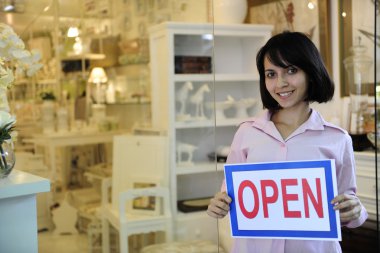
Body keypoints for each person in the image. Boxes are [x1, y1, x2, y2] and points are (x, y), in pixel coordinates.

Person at [207, 31, 368, 253]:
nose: (280, 83)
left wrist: (356, 211)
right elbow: (230, 196)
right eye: (271, 74)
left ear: (310, 72)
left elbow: (347, 204)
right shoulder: (246, 133)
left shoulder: (337, 139)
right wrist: (219, 204)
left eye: (291, 70)